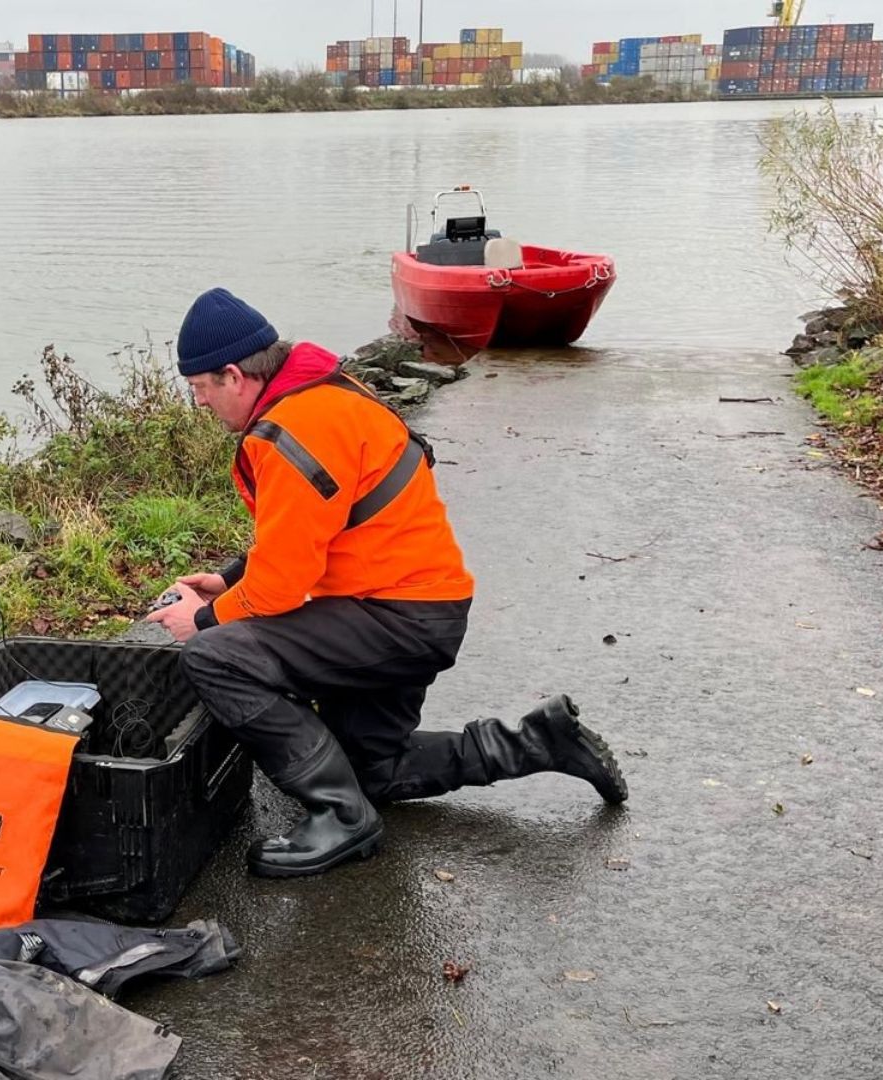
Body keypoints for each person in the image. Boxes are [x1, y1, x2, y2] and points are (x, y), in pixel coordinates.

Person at [146, 288, 629, 880]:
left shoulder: (290, 431)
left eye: (201, 388)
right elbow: (320, 525)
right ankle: (538, 741)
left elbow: (279, 589)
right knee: (372, 771)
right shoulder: (326, 395)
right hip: (414, 608)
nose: (200, 402)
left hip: (392, 617)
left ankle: (341, 817)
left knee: (215, 656)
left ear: (234, 375)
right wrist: (227, 579)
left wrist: (199, 619)